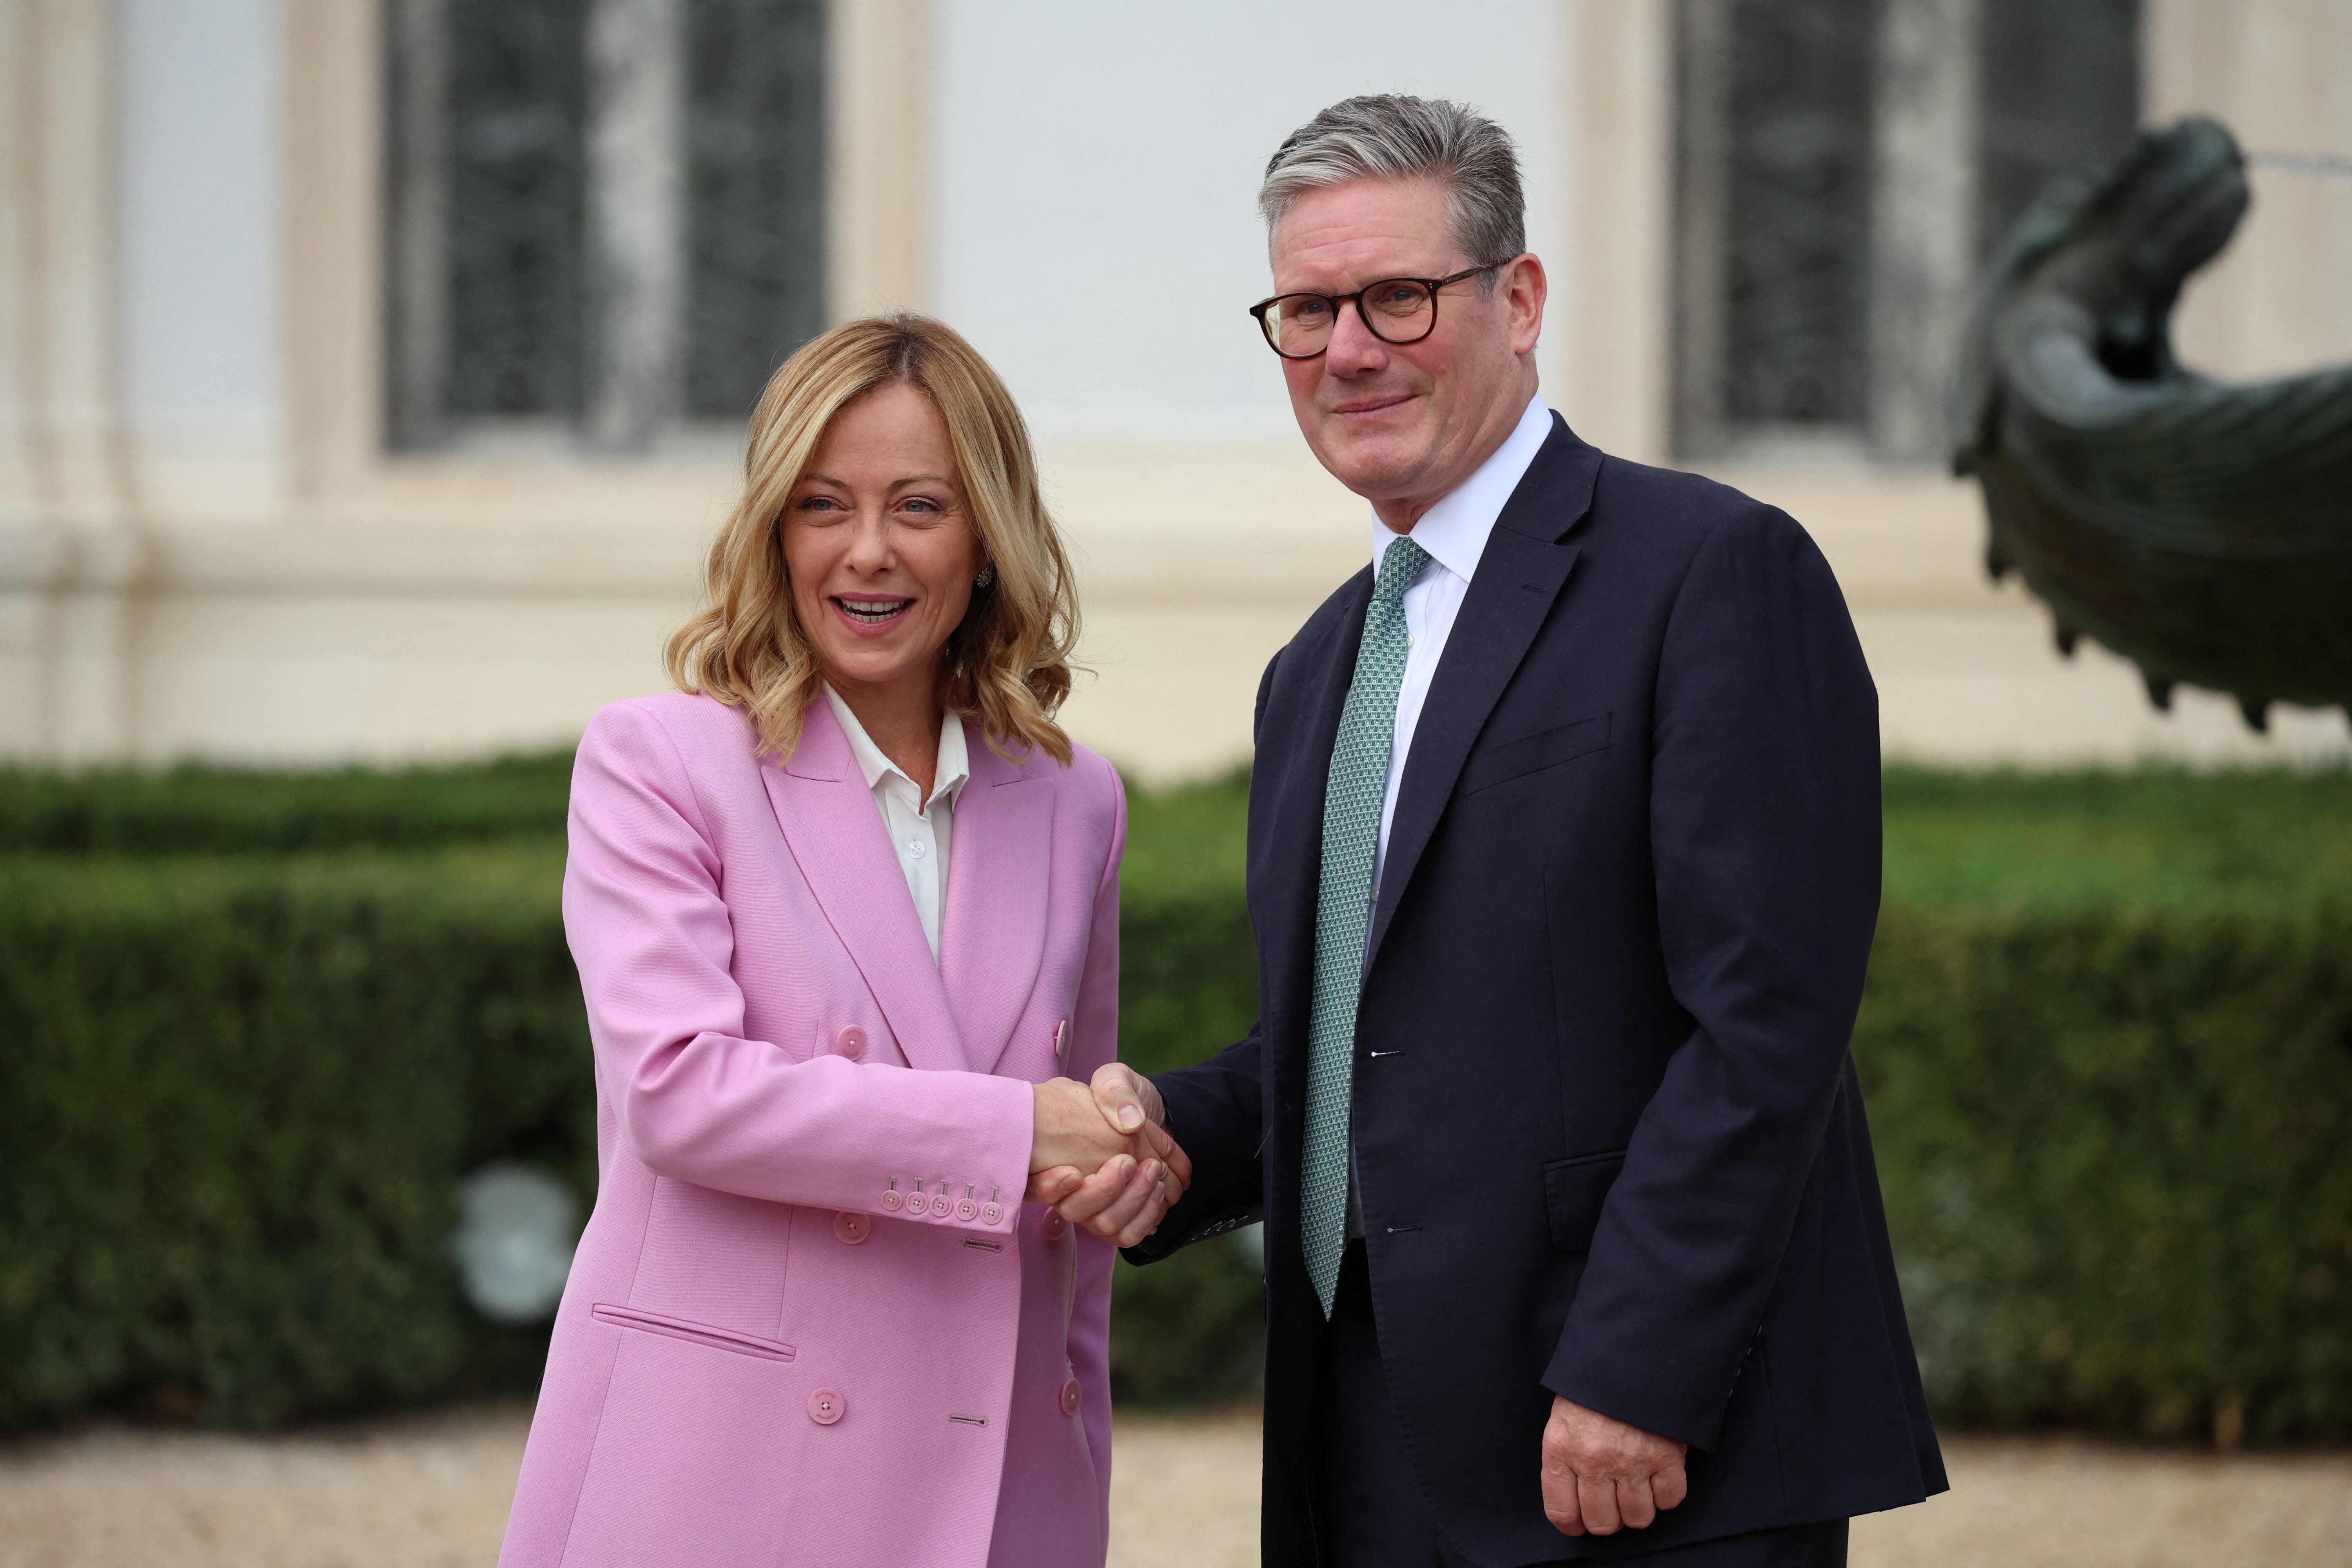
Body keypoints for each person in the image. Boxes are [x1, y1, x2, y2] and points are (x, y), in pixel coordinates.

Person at [1073, 95, 1947, 1566]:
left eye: (1399, 297)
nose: (1349, 349)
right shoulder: (1316, 671)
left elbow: (1766, 1023)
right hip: (1366, 1448)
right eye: (1307, 311)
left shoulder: (1715, 572)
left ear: (1520, 298)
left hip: (1640, 1454)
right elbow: (1363, 1035)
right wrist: (1177, 1142)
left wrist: (1637, 1370)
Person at [497, 315, 1189, 1568]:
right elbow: (677, 1094)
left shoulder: (1075, 797)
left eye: (920, 505)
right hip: (717, 1472)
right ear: (774, 530)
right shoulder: (662, 762)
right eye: (824, 505)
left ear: (987, 538)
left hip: (997, 1472)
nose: (867, 552)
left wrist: (1115, 1156)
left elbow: (1064, 1184)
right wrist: (1021, 1133)